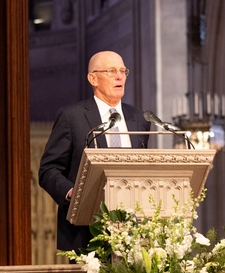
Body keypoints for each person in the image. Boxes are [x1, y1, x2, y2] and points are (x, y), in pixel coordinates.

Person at [38, 50, 150, 252]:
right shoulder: (72, 117)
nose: (119, 76)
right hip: (84, 233)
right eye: (111, 71)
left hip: (133, 231)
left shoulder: (138, 118)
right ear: (93, 78)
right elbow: (48, 170)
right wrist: (73, 192)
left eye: (123, 71)